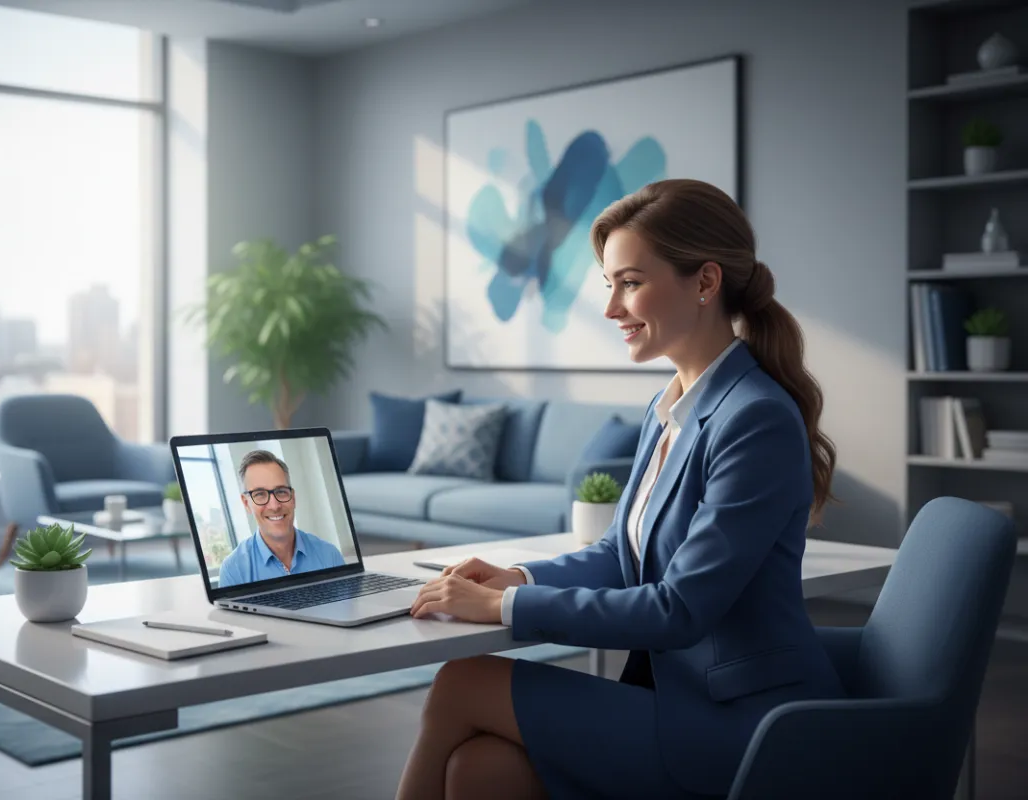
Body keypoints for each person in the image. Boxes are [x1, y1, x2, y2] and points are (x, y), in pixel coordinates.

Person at [396, 179, 845, 800]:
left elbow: (680, 608)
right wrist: (516, 580)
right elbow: (618, 556)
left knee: (462, 682)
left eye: (630, 283)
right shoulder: (669, 409)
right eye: (609, 285)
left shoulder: (754, 418)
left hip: (744, 723)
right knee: (479, 770)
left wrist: (500, 610)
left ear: (706, 283)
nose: (611, 309)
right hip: (676, 698)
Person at [218, 449, 345, 587]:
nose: (274, 506)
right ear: (246, 503)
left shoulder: (330, 555)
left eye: (281, 492)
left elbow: (347, 608)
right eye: (260, 494)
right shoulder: (233, 571)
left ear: (293, 498)